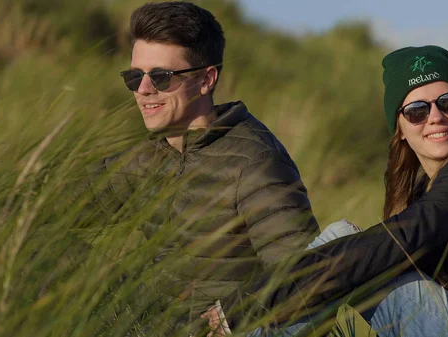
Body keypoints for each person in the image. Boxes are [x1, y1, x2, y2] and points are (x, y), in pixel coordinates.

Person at [203, 45, 448, 337]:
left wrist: (258, 298)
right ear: (400, 127)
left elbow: (396, 243)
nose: (435, 116)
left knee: (361, 253)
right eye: (417, 110)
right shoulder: (435, 186)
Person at [84, 2, 320, 336]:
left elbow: (302, 278)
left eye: (161, 77)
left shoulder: (254, 161)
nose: (143, 90)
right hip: (151, 322)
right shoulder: (150, 157)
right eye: (135, 76)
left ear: (207, 79)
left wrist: (236, 316)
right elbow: (56, 202)